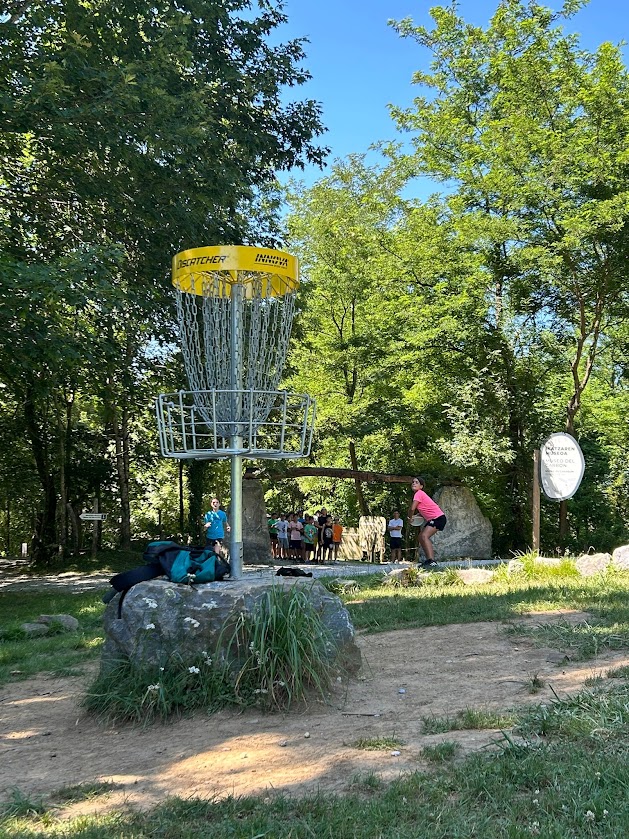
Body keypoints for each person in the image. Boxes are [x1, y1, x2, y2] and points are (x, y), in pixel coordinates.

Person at [408, 477, 446, 569]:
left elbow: (412, 508)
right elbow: (424, 509)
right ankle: (429, 560)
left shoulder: (418, 493)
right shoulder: (420, 494)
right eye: (413, 482)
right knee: (421, 537)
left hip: (438, 518)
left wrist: (409, 517)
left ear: (421, 486)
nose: (414, 483)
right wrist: (417, 515)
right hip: (436, 518)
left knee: (424, 536)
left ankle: (432, 561)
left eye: (416, 482)